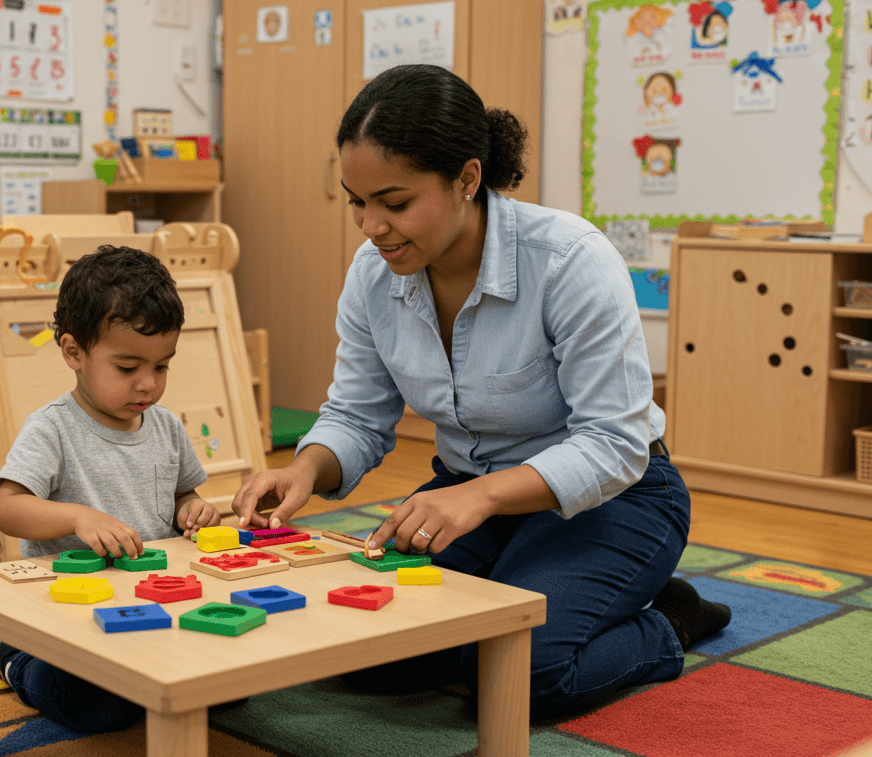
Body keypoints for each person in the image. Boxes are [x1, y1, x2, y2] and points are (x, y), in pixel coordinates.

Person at [232, 64, 730, 718]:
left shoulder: (570, 260)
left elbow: (614, 443)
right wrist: (304, 470)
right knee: (367, 650)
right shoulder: (372, 275)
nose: (370, 227)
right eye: (358, 202)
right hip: (475, 498)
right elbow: (357, 413)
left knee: (521, 676)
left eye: (395, 202)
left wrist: (482, 494)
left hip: (615, 499)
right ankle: (536, 578)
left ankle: (670, 618)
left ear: (467, 179)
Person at [0, 244, 222, 732]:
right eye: (127, 367)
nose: (148, 385)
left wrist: (193, 509)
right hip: (70, 611)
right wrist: (77, 516)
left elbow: (184, 495)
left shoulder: (166, 427)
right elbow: (8, 508)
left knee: (225, 688)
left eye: (161, 367)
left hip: (155, 598)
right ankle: (13, 658)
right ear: (74, 352)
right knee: (95, 707)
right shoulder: (52, 428)